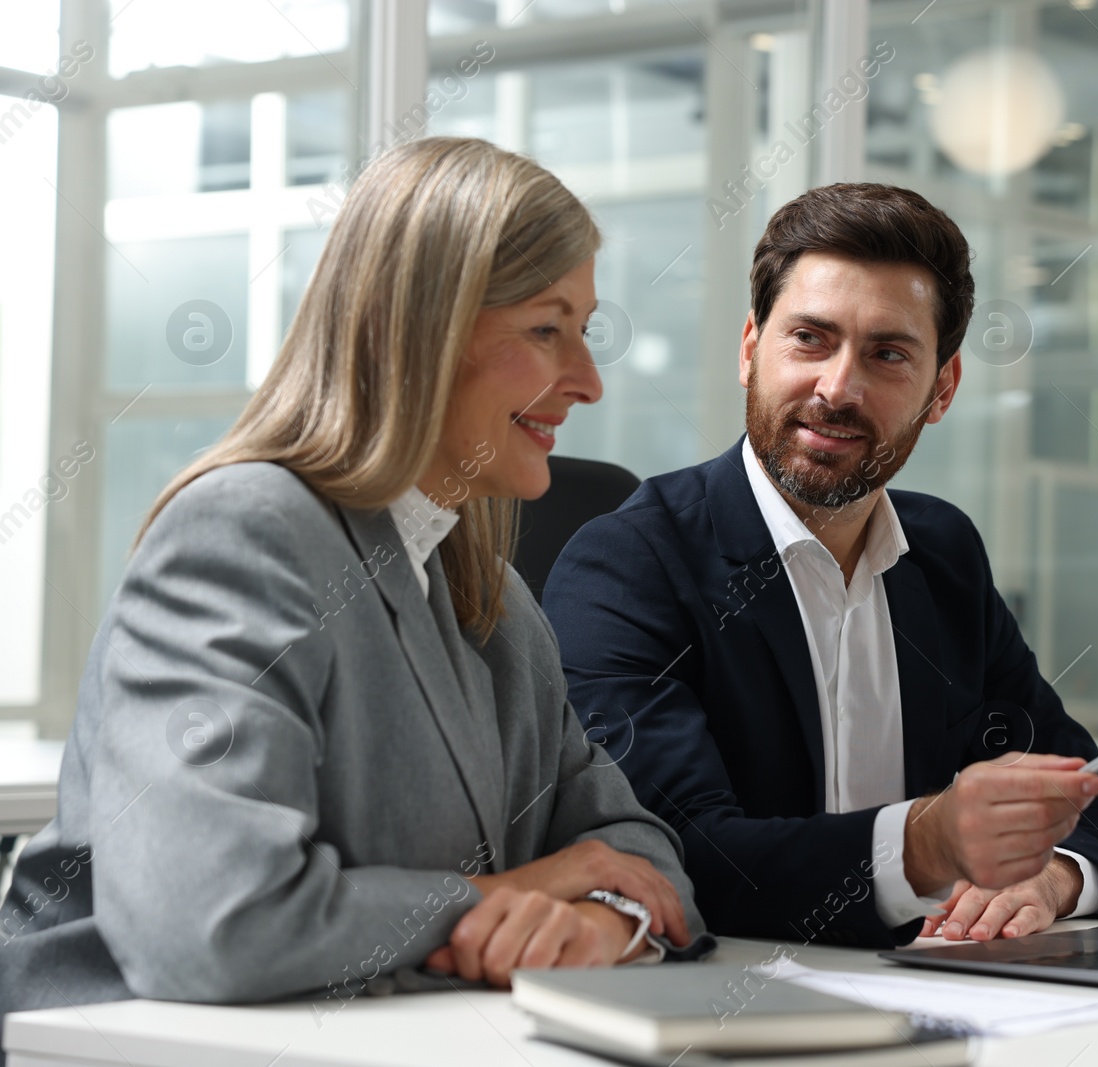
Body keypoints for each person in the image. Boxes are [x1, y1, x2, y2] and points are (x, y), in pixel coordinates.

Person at [0, 137, 706, 1031]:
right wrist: (502, 896)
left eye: (585, 330)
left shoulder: (493, 602)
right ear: (423, 330)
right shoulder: (247, 531)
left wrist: (604, 921)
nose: (590, 381)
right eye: (545, 328)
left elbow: (638, 850)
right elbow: (212, 920)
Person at [543, 183, 1098, 949]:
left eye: (887, 353)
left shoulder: (944, 554)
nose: (838, 387)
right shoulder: (633, 562)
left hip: (948, 997)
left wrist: (1054, 875)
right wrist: (925, 844)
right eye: (809, 338)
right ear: (749, 349)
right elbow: (677, 855)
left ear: (943, 388)